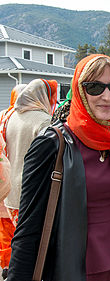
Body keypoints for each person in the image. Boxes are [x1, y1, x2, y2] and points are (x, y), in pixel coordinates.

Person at [8, 54, 110, 281]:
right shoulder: (52, 144)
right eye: (95, 87)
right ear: (80, 91)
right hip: (71, 266)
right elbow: (29, 226)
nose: (107, 96)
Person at [4, 79, 57, 227]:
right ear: (45, 96)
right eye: (52, 96)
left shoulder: (11, 117)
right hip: (32, 194)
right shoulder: (44, 121)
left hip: (11, 193)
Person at [0, 83, 25, 279]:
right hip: (13, 181)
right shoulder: (22, 118)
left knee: (4, 232)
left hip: (5, 184)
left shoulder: (3, 116)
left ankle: (7, 266)